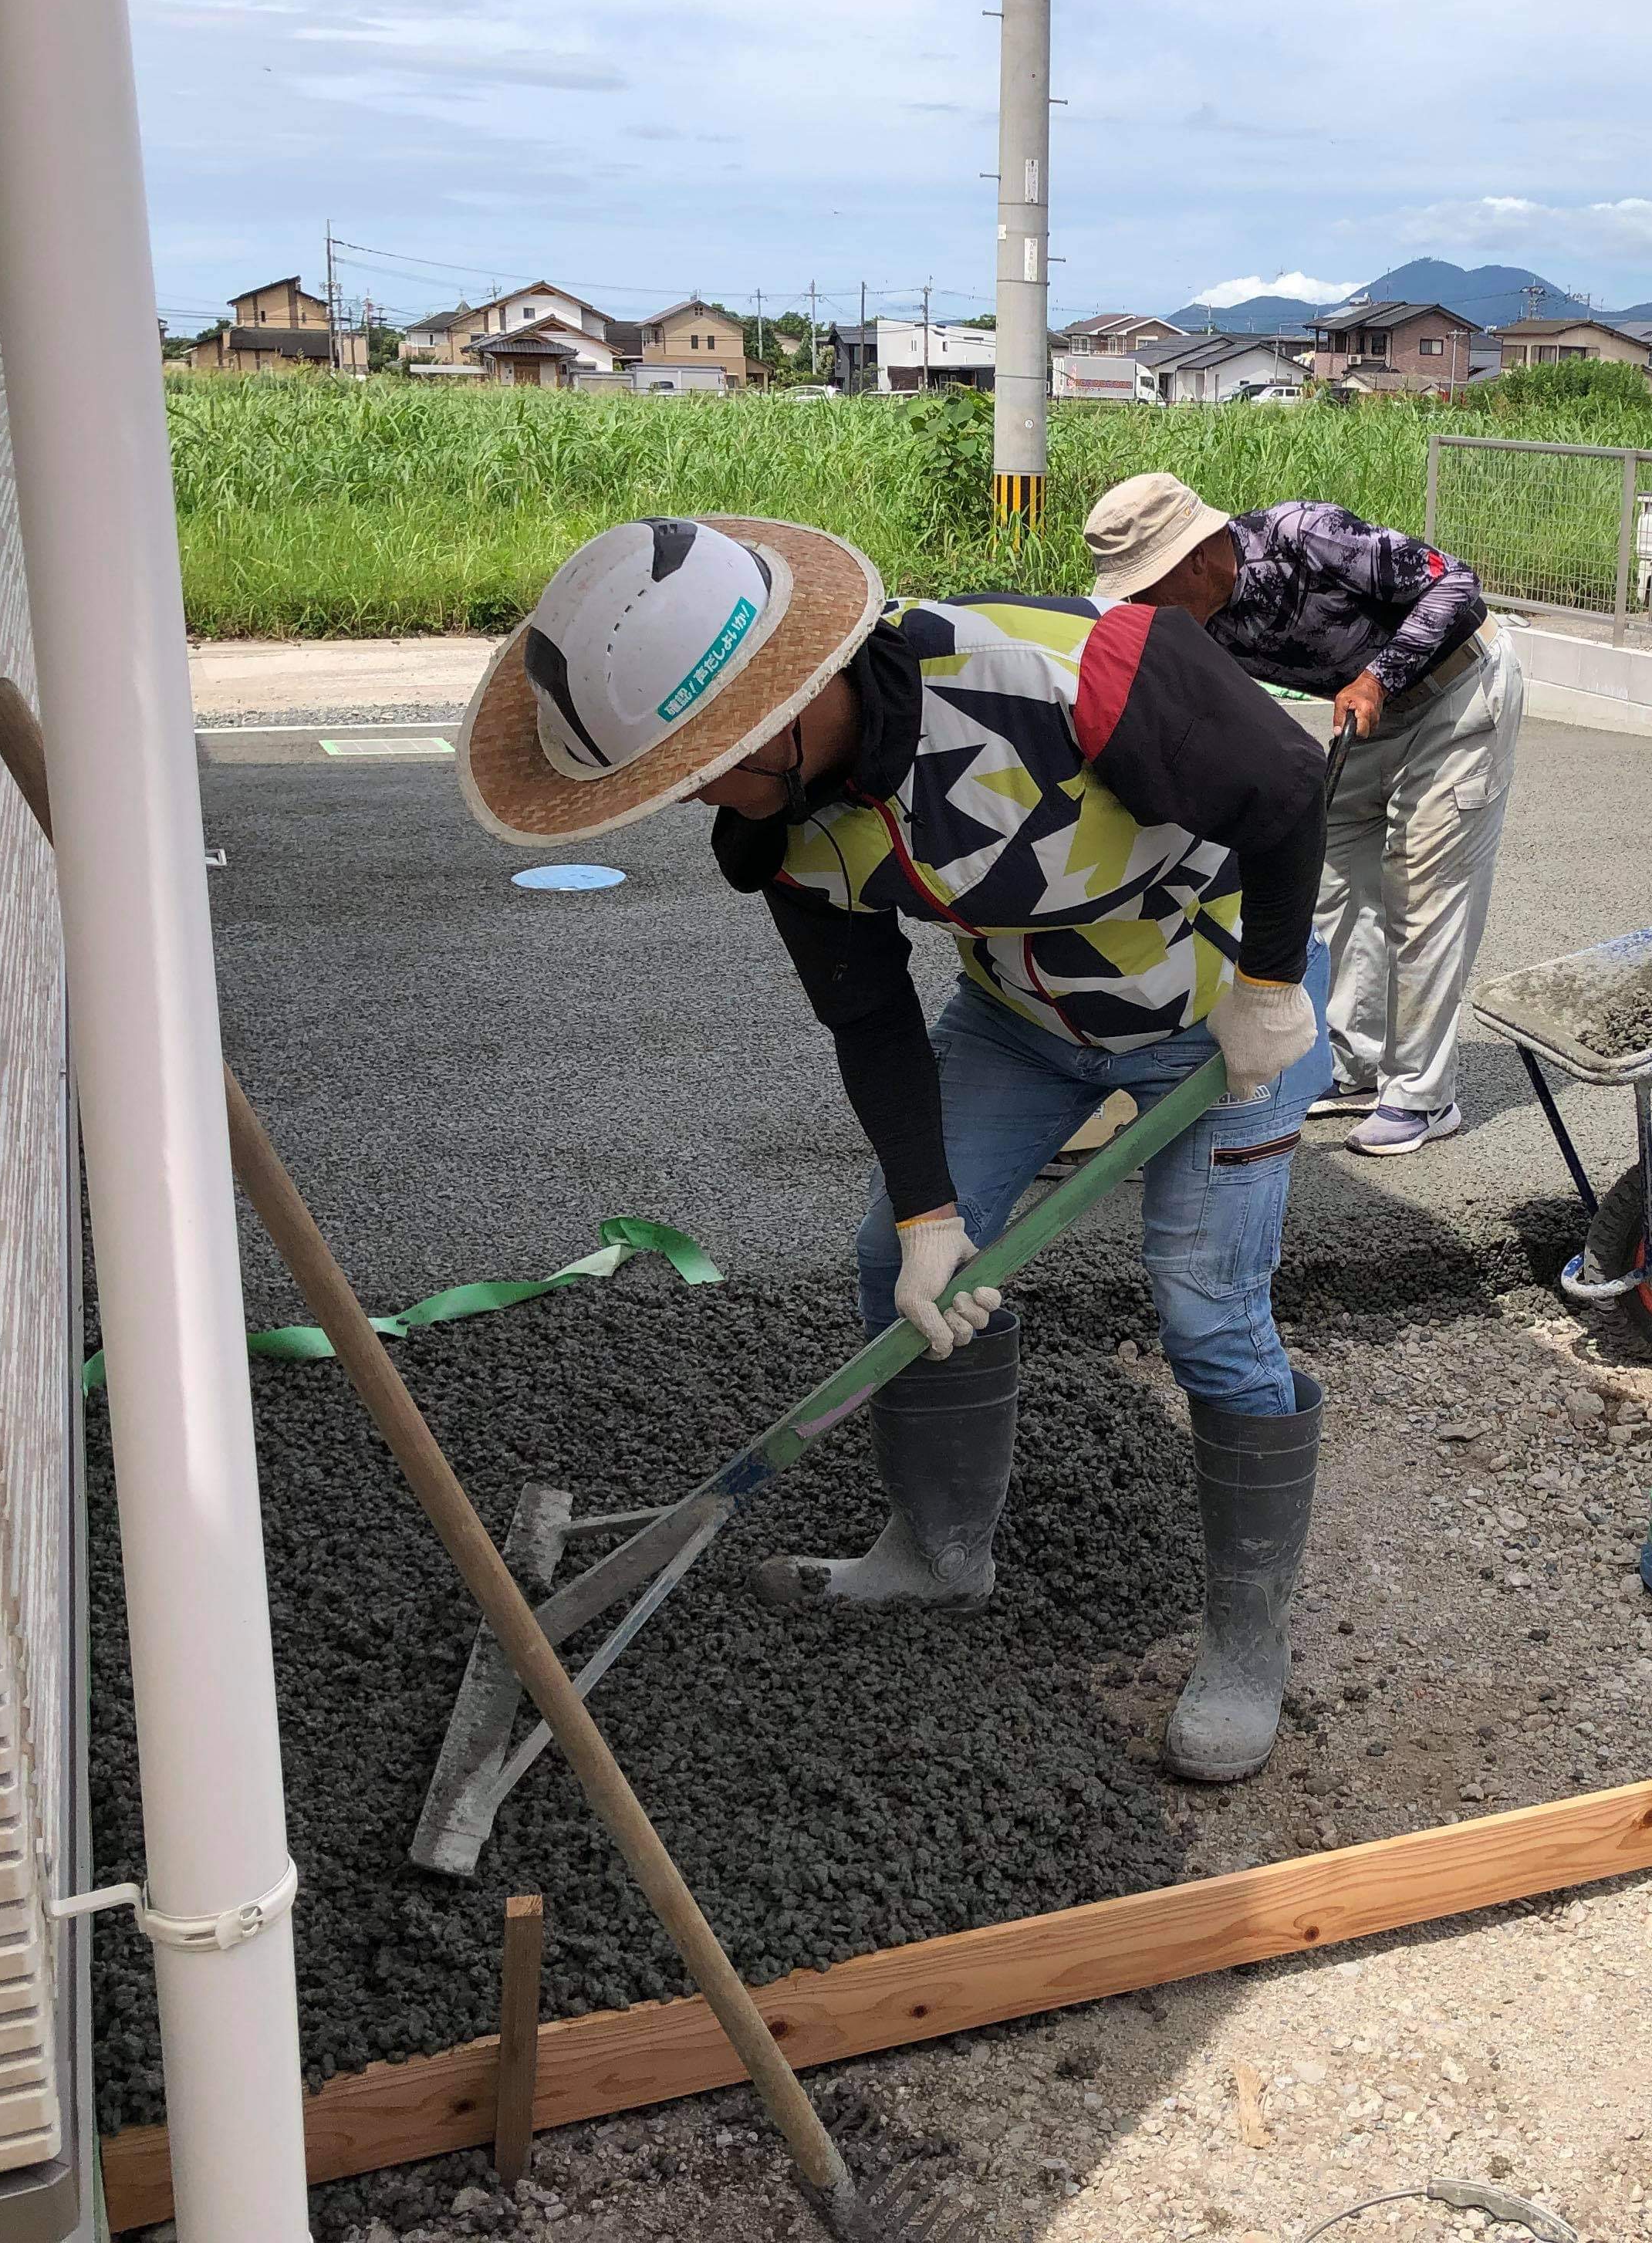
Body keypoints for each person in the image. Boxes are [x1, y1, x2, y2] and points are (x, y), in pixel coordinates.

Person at [457, 514, 1333, 1782]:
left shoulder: (1077, 678)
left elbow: (1289, 789)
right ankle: (938, 1547)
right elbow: (867, 1015)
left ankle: (1248, 1640)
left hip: (1231, 1020)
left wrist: (1266, 985)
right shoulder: (783, 831)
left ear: (791, 701)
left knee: (1206, 1312)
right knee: (895, 1263)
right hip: (1026, 1021)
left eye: (708, 763)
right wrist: (930, 1212)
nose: (703, 793)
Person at [1085, 473, 1524, 1158]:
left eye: (1148, 582)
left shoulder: (1304, 534)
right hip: (1365, 719)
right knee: (1334, 890)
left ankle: (1422, 1095)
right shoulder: (1192, 621)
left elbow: (1454, 583)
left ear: (1197, 555)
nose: (1140, 601)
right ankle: (1351, 1065)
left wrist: (1378, 677)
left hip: (1456, 692)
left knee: (1424, 893)